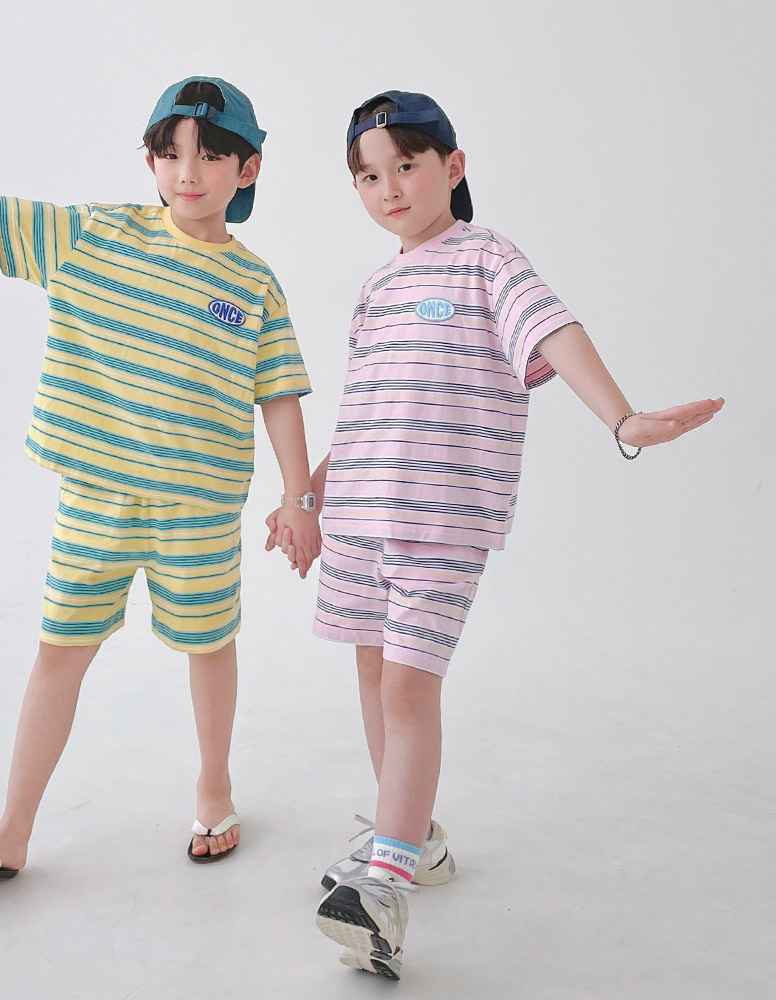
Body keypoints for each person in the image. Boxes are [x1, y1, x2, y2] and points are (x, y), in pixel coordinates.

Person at [266, 90, 723, 979]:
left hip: (440, 522)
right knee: (373, 677)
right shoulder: (376, 288)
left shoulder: (487, 259)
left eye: (406, 166)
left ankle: (383, 888)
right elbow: (366, 413)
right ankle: (413, 838)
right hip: (357, 518)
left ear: (453, 166)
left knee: (409, 691)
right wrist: (308, 499)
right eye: (369, 176)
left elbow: (556, 332)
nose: (389, 188)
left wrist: (622, 419)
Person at [0, 75, 321, 878]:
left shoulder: (254, 284)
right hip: (97, 497)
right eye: (169, 154)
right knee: (60, 649)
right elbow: (2, 213)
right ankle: (12, 829)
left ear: (248, 169)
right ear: (151, 163)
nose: (187, 173)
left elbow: (281, 395)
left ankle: (215, 787)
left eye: (209, 156)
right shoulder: (96, 234)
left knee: (209, 645)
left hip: (198, 510)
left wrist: (298, 499)